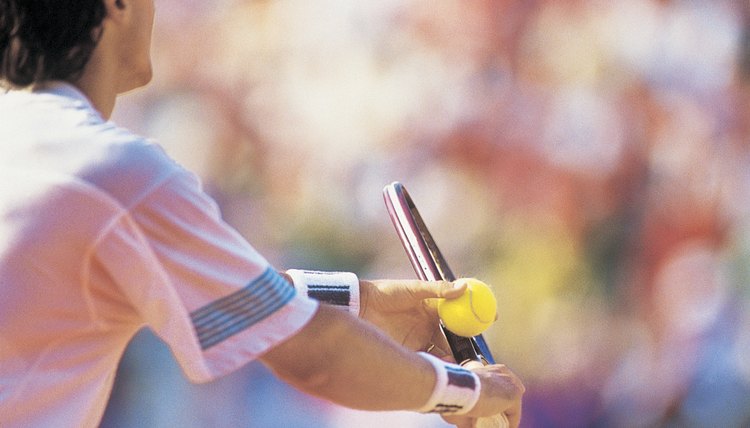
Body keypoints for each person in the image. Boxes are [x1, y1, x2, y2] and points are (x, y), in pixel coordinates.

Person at [0, 1, 524, 427]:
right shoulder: (118, 170)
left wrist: (357, 299)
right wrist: (470, 391)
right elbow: (314, 355)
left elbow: (211, 292)